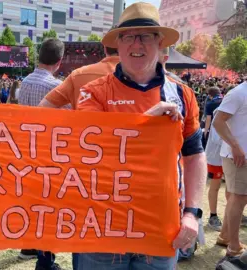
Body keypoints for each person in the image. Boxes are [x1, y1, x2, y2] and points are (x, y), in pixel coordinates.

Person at [75, 3, 206, 269]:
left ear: (160, 43)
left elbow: (194, 156)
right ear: (119, 43)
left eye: (146, 36)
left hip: (161, 228)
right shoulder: (94, 92)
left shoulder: (182, 94)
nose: (137, 43)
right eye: (129, 36)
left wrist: (192, 213)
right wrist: (146, 123)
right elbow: (91, 152)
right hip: (103, 228)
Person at [17, 38, 65, 270]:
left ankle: (28, 246)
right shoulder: (57, 87)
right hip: (48, 154)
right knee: (47, 207)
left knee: (30, 203)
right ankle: (45, 260)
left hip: (26, 152)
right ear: (59, 61)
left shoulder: (24, 82)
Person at [214, 81, 247, 257]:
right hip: (238, 156)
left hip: (240, 154)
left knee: (236, 197)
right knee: (239, 198)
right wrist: (235, 146)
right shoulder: (238, 93)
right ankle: (233, 246)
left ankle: (226, 236)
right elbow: (218, 122)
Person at [39, 46, 119, 109]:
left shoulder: (78, 75)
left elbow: (42, 107)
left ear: (105, 48)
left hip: (86, 129)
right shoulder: (130, 75)